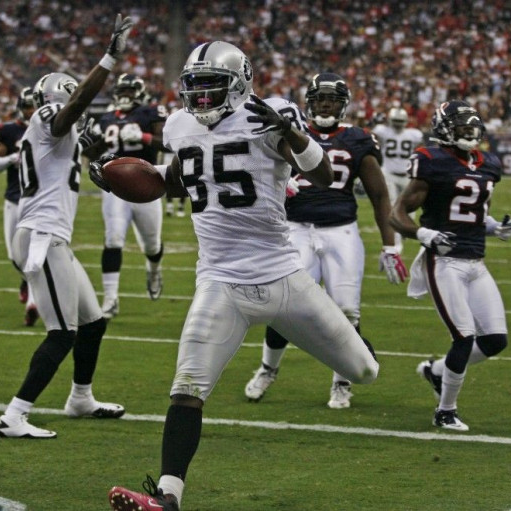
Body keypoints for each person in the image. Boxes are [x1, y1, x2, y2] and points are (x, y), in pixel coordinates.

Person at [100, 41, 379, 511]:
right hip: (219, 281)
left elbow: (327, 177)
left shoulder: (271, 114)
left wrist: (293, 134)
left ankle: (346, 341)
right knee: (187, 387)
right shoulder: (179, 124)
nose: (202, 98)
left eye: (212, 87)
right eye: (195, 88)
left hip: (283, 275)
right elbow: (178, 179)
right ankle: (168, 496)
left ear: (240, 83)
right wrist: (124, 178)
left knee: (364, 371)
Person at [0, 13, 133, 440]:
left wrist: (97, 156)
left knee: (93, 323)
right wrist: (109, 59)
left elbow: (82, 160)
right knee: (62, 334)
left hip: (52, 237)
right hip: (41, 236)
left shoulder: (57, 136)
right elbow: (72, 108)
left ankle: (81, 397)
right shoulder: (48, 116)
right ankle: (13, 416)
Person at [243, 72, 407, 409]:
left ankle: (342, 381)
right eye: (319, 99)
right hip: (295, 229)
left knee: (347, 309)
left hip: (341, 231)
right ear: (308, 103)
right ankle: (267, 368)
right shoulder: (288, 133)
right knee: (283, 306)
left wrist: (390, 245)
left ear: (343, 105)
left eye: (331, 99)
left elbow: (379, 195)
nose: (325, 105)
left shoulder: (358, 139)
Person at [389, 100, 511, 432]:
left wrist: (491, 226)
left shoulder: (488, 163)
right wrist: (424, 234)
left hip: (475, 260)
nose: (470, 132)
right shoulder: (432, 160)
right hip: (444, 262)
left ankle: (436, 371)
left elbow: (471, 209)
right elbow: (397, 212)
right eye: (462, 126)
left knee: (495, 340)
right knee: (463, 336)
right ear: (446, 128)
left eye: (473, 126)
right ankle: (445, 411)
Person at [85, 73, 169, 319]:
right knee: (113, 240)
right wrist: (90, 145)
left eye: (129, 92)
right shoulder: (107, 118)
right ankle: (110, 299)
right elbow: (94, 151)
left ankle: (154, 270)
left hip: (147, 186)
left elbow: (168, 143)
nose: (124, 96)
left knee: (152, 245)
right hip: (115, 189)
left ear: (139, 93)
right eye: (121, 91)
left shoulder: (150, 112)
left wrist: (143, 137)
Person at [0, 87, 39, 326]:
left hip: (39, 200)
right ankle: (27, 281)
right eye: (28, 106)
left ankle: (34, 303)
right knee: (15, 257)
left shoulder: (49, 127)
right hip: (14, 198)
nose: (32, 111)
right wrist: (10, 158)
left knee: (35, 256)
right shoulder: (8, 131)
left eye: (35, 105)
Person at [372, 106, 424, 252]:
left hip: (407, 175)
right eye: (396, 121)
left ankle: (402, 231)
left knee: (410, 207)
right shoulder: (413, 134)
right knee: (392, 205)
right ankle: (395, 241)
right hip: (388, 173)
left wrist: (374, 122)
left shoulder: (384, 130)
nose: (397, 124)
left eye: (399, 121)